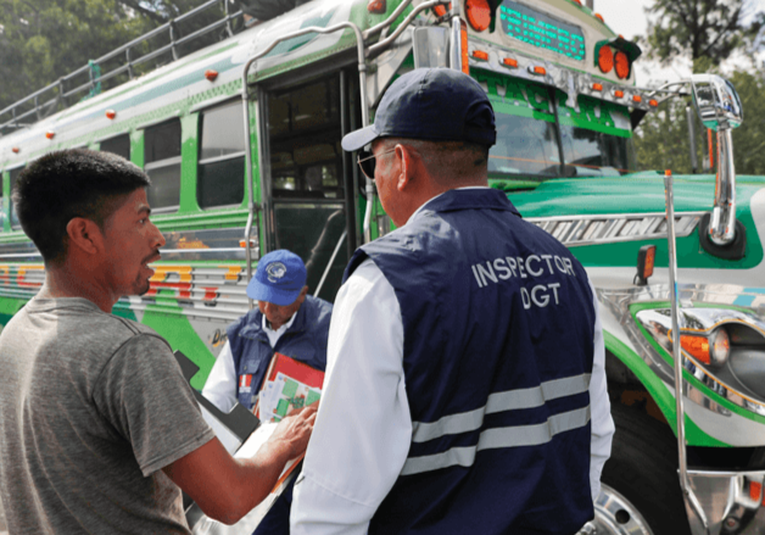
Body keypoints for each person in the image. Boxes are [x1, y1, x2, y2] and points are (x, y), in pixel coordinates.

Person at [290, 68, 615, 534]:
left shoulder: (383, 283)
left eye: (371, 162)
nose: (373, 178)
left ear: (402, 163)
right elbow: (595, 436)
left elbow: (334, 500)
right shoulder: (567, 267)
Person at [0, 149, 317, 534]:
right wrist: (281, 442)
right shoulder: (129, 351)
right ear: (84, 234)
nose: (159, 237)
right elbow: (230, 498)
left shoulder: (15, 335)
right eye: (142, 219)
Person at [202, 248, 332, 534]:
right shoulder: (242, 332)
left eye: (279, 300)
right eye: (262, 296)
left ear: (302, 293)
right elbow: (216, 398)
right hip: (257, 460)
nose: (267, 308)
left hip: (309, 464)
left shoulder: (329, 326)